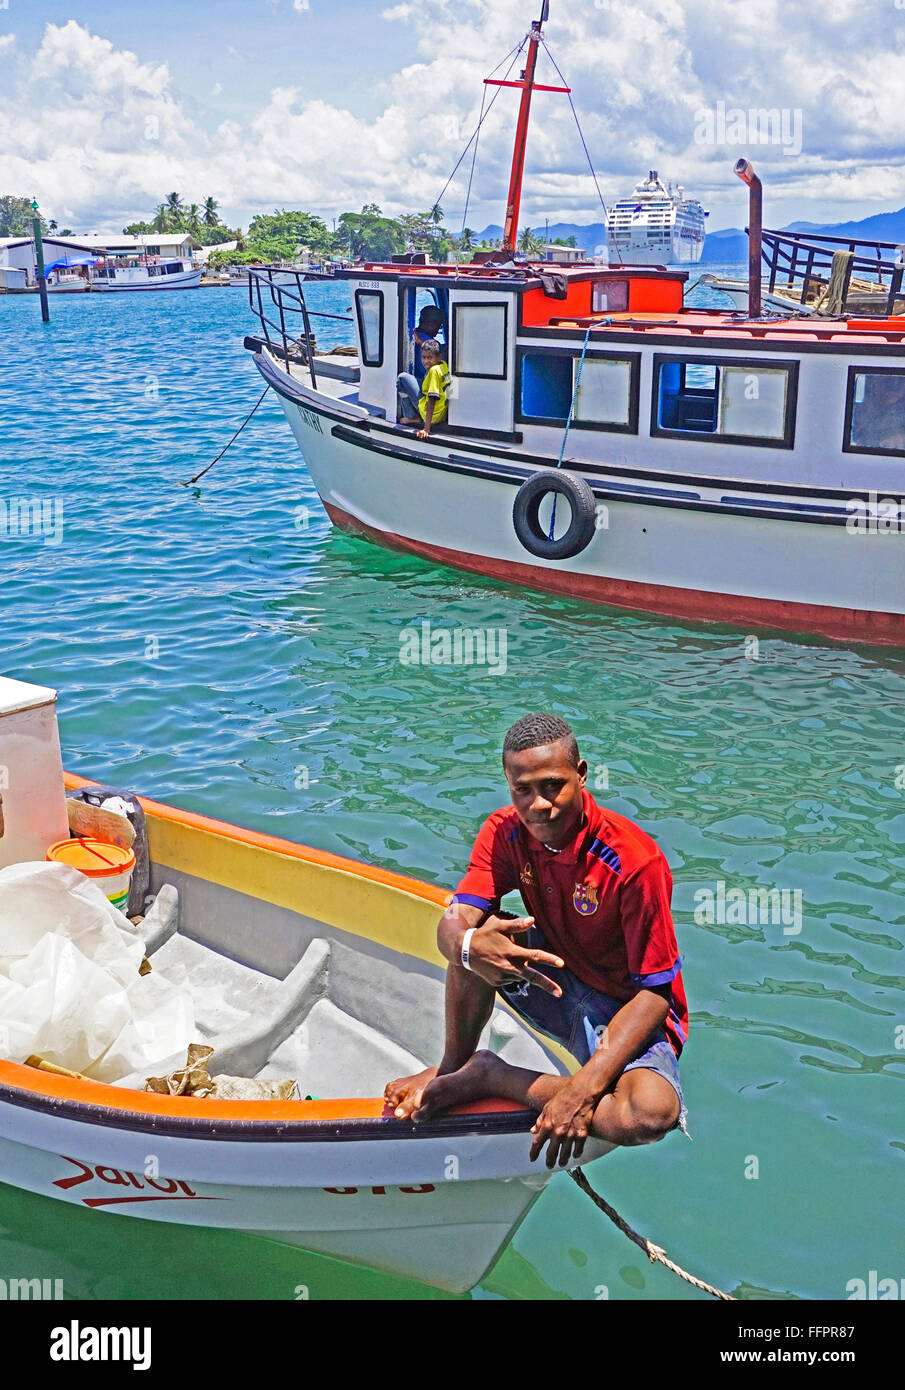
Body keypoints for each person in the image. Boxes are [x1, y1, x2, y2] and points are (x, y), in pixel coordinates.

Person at [385, 712, 689, 1167]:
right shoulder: (503, 832)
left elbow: (656, 993)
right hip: (550, 977)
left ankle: (491, 1075)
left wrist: (582, 1092)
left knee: (649, 1115)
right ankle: (454, 1069)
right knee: (477, 939)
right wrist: (469, 946)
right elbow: (454, 922)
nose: (538, 806)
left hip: (619, 1009)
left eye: (552, 786)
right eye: (522, 790)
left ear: (581, 775)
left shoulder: (634, 861)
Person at [396, 339, 451, 439]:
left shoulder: (434, 371)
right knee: (419, 379)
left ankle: (412, 417)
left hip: (430, 414)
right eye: (424, 357)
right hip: (440, 414)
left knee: (402, 378)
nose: (426, 361)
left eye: (430, 358)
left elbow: (432, 398)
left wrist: (426, 428)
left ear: (439, 356)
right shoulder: (443, 365)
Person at [410, 305, 445, 384]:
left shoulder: (413, 336)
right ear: (432, 324)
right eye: (439, 325)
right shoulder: (431, 343)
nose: (438, 329)